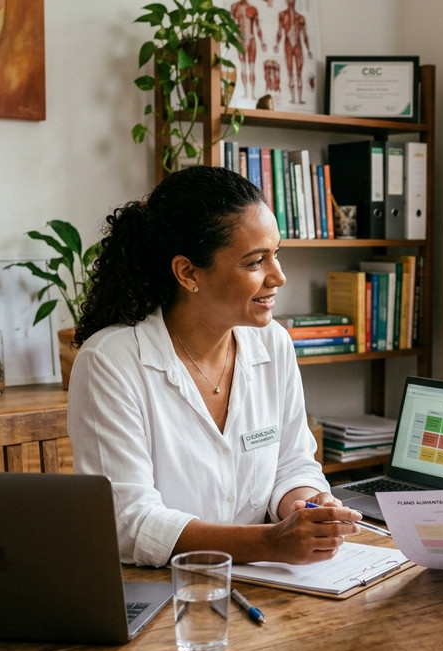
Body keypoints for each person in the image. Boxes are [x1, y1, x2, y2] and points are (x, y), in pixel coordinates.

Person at [68, 166, 361, 568]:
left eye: (277, 254)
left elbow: (292, 463)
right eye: (256, 261)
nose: (279, 276)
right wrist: (271, 543)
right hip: (160, 595)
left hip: (268, 588)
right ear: (189, 272)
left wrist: (305, 504)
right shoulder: (112, 361)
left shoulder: (273, 343)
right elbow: (127, 521)